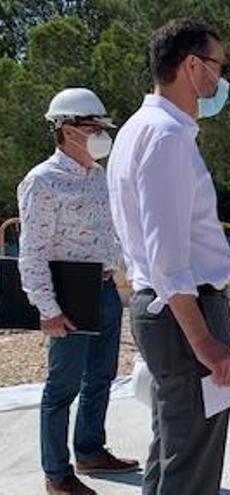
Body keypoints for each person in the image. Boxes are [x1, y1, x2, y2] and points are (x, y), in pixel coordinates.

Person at [106, 19, 230, 494]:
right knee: (193, 464)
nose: (220, 80)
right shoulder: (166, 137)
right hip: (185, 312)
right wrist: (206, 342)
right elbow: (168, 257)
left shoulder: (138, 130)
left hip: (165, 309)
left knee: (172, 449)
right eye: (218, 66)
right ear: (192, 66)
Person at [18, 87, 139, 495]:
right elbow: (31, 253)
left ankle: (89, 450)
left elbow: (112, 232)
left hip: (103, 289)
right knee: (62, 387)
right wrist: (47, 309)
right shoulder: (42, 182)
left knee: (101, 376)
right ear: (68, 130)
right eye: (95, 127)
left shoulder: (98, 176)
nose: (103, 135)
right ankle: (57, 473)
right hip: (67, 295)